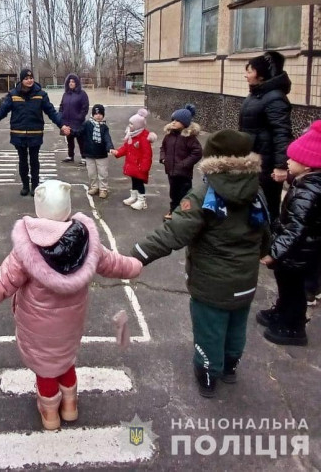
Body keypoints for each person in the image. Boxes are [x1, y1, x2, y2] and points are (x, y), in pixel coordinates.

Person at [0, 180, 142, 430]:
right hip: (71, 322)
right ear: (67, 207)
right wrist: (135, 265)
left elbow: (1, 283)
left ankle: (50, 413)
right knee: (64, 359)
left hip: (37, 326)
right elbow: (114, 263)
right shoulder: (86, 240)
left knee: (45, 368)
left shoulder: (26, 250)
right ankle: (70, 406)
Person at [130, 130, 269, 398]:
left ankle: (207, 373)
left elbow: (173, 233)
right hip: (246, 280)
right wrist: (264, 253)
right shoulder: (256, 190)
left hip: (211, 283)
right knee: (237, 324)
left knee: (210, 329)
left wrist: (136, 254)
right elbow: (265, 231)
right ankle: (230, 367)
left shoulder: (205, 193)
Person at [256, 120, 321, 346]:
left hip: (300, 254)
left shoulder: (310, 191)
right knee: (285, 286)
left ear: (309, 166)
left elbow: (296, 228)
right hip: (295, 252)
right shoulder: (304, 183)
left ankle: (294, 327)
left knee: (295, 291)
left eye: (294, 159)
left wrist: (274, 252)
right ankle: (281, 312)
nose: (288, 161)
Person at [0, 68, 71, 196]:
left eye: (31, 78)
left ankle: (35, 186)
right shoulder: (13, 95)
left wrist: (62, 125)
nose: (29, 80)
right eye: (26, 78)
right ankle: (25, 185)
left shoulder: (41, 94)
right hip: (18, 133)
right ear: (21, 80)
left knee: (34, 160)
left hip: (35, 133)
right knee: (23, 161)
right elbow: (2, 111)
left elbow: (52, 112)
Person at [239, 51, 293, 221]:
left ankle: (270, 244)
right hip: (252, 160)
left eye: (250, 71)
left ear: (261, 75)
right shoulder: (256, 94)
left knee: (267, 208)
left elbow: (282, 133)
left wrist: (280, 166)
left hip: (266, 165)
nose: (246, 75)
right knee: (252, 205)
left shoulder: (274, 98)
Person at [160, 104, 203, 220]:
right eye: (173, 119)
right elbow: (163, 148)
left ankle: (185, 214)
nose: (173, 122)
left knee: (185, 194)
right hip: (171, 171)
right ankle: (173, 211)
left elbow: (197, 153)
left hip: (184, 173)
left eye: (177, 120)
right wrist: (163, 158)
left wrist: (185, 164)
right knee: (173, 194)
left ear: (185, 123)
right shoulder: (168, 136)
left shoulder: (189, 138)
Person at [110, 108, 156, 210]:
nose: (129, 126)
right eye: (129, 124)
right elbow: (126, 147)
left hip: (139, 166)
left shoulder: (143, 138)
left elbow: (147, 154)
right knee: (134, 181)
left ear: (138, 126)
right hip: (133, 165)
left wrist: (144, 167)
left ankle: (142, 200)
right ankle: (134, 196)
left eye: (132, 124)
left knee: (139, 183)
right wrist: (117, 152)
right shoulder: (131, 135)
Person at [67, 104, 114, 199]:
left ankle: (103, 189)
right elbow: (79, 132)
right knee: (91, 173)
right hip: (89, 153)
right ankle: (94, 187)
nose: (98, 116)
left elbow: (107, 138)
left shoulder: (104, 127)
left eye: (101, 114)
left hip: (101, 154)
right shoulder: (87, 124)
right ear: (92, 114)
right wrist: (71, 131)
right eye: (96, 114)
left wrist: (110, 147)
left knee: (102, 173)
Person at [59, 73, 89, 165]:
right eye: (69, 82)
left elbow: (85, 107)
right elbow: (61, 106)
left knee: (81, 140)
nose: (71, 83)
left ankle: (84, 157)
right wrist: (61, 116)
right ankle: (70, 156)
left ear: (77, 83)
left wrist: (80, 117)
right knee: (69, 140)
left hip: (78, 122)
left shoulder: (82, 94)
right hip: (67, 121)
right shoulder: (65, 94)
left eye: (73, 81)